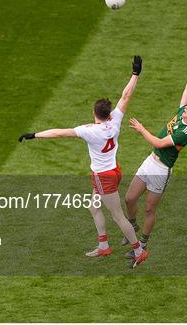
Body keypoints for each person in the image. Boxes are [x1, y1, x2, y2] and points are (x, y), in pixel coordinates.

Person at [18, 56, 148, 268]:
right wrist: (135, 74)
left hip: (102, 176)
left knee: (117, 216)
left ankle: (138, 250)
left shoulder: (89, 131)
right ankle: (104, 246)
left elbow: (59, 133)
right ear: (108, 113)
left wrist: (35, 134)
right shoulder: (115, 120)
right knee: (93, 207)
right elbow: (126, 96)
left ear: (95, 113)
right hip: (114, 170)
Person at [122, 55, 187, 258]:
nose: (186, 106)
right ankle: (132, 228)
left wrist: (142, 129)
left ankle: (142, 245)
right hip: (150, 161)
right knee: (129, 198)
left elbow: (159, 143)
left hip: (161, 171)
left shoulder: (184, 133)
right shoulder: (182, 114)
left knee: (150, 210)